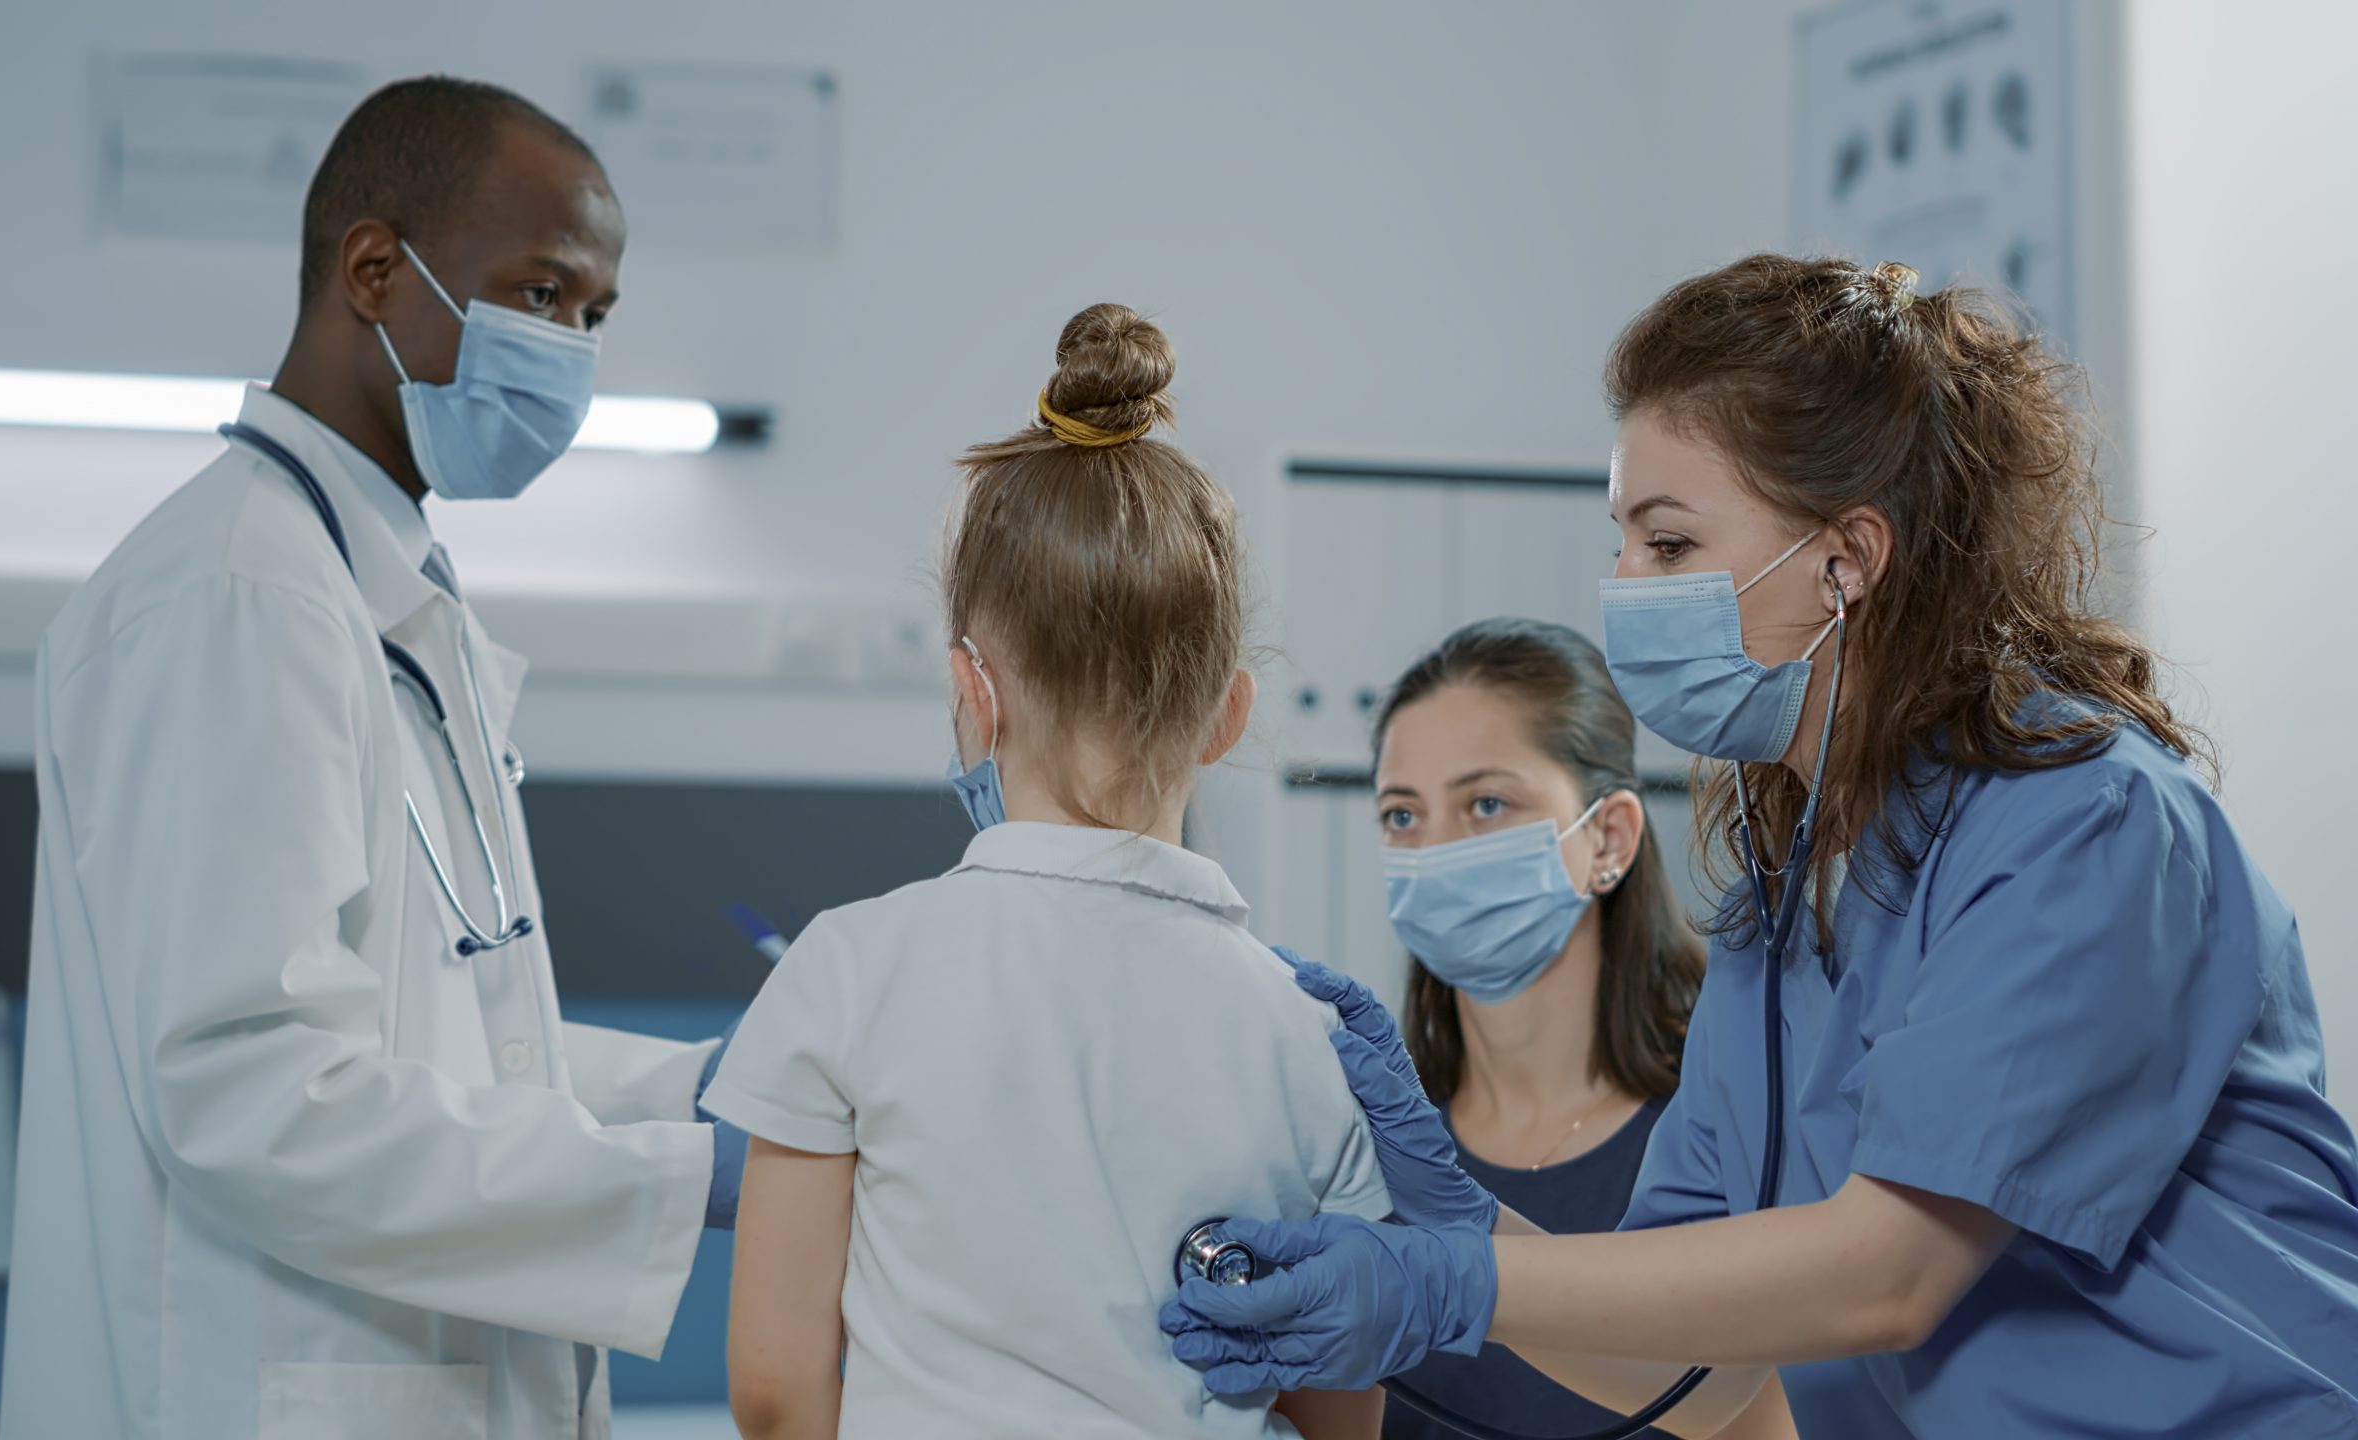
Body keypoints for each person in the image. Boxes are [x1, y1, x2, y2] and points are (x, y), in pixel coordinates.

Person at [1163, 255, 2358, 1437]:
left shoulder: (2084, 827)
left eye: (1669, 546)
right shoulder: (1789, 902)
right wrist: (1457, 1227)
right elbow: (1699, 1374)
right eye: (1622, 542)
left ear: (1846, 558)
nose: (1622, 587)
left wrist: (1445, 1284)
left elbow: (1888, 1274)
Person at [2, 78, 744, 1440]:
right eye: (539, 293)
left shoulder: (382, 594)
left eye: (593, 316)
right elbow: (253, 1091)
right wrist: (686, 1169)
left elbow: (447, 1047)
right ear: (374, 271)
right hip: (263, 1391)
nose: (569, 347)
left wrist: (696, 1092)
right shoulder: (240, 595)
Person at [706, 304, 1390, 1440]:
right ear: (1229, 715)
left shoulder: (848, 968)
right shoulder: (1314, 1037)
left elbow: (778, 1394)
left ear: (973, 693)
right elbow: (1338, 1417)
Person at [1367, 620, 1791, 1439]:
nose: (1435, 851)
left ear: (1610, 837)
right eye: (1401, 815)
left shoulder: (1722, 1140)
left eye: (1487, 804)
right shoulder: (1376, 1156)